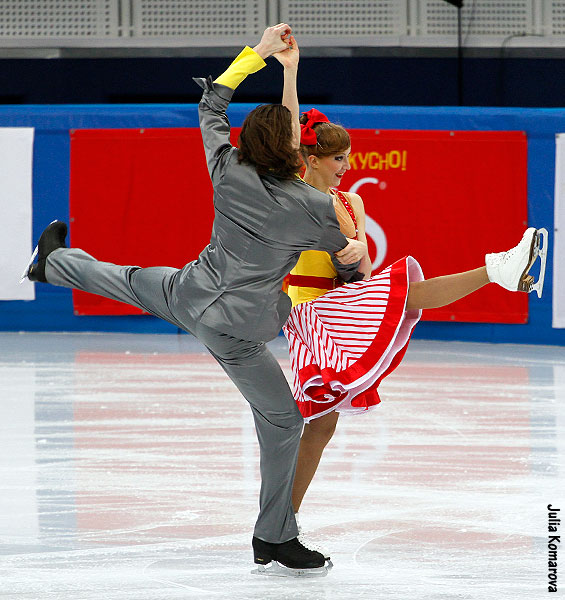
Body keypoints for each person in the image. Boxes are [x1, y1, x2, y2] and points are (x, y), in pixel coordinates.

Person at [21, 24, 363, 578]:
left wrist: (263, 55)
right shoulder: (314, 210)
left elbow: (214, 100)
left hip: (191, 292)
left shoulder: (227, 168)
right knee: (282, 425)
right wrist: (351, 249)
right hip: (240, 332)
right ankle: (274, 536)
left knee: (127, 278)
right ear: (296, 152)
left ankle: (51, 264)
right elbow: (346, 256)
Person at [279, 108, 547, 554]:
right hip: (307, 311)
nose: (347, 168)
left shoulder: (351, 202)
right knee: (404, 294)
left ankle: (283, 522)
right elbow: (288, 132)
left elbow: (358, 268)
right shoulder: (292, 193)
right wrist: (288, 69)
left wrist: (358, 250)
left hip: (342, 300)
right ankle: (496, 270)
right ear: (310, 157)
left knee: (321, 426)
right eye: (338, 159)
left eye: (348, 157)